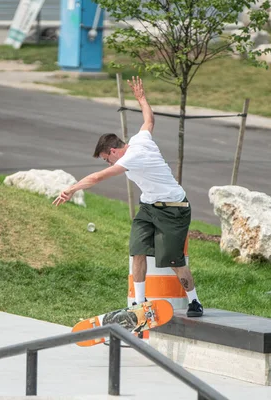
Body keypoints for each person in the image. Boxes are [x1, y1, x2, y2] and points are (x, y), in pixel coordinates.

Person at [52, 76, 203, 318]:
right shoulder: (140, 138)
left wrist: (71, 188)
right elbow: (149, 121)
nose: (108, 162)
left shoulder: (133, 155)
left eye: (106, 158)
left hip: (174, 208)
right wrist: (142, 99)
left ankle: (194, 301)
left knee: (174, 261)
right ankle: (139, 303)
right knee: (137, 251)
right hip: (149, 207)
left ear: (113, 151)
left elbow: (99, 177)